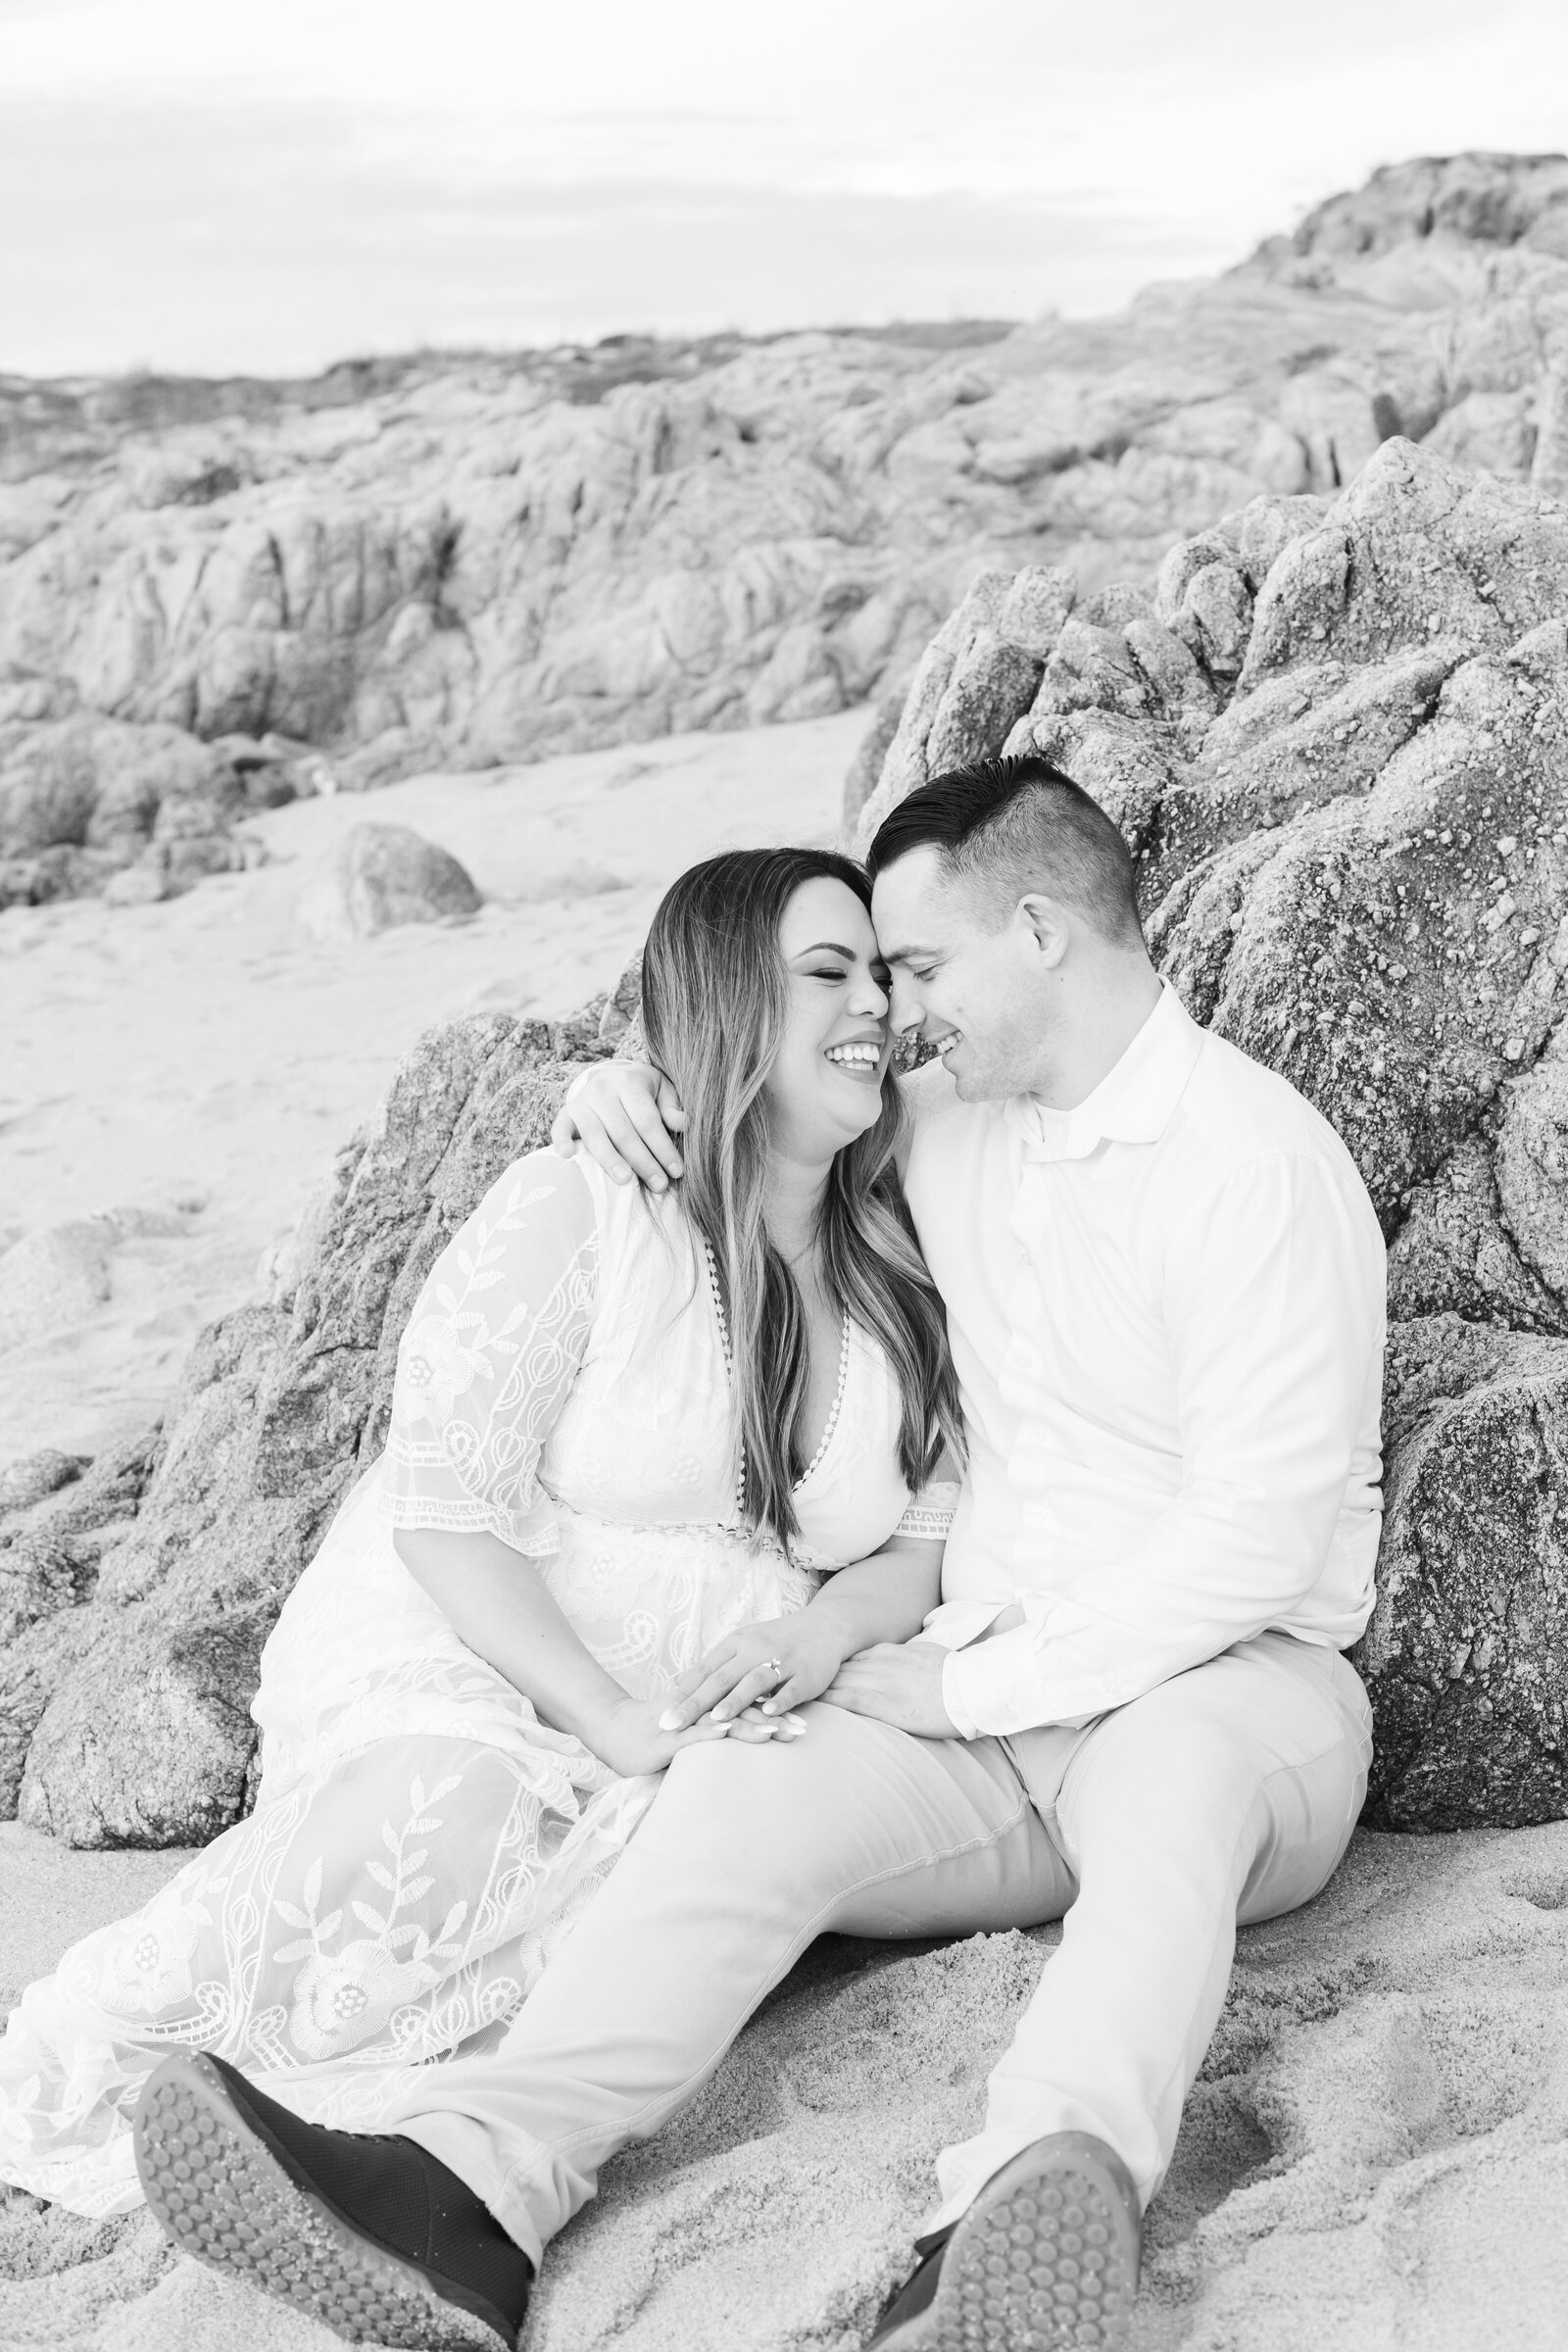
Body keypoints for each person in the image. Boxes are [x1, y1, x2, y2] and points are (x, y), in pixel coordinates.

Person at [128, 756, 1385, 2352]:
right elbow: (766, 1097)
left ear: (1043, 932)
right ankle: (467, 2199)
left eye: (920, 967)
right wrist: (614, 1086)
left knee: (1175, 1797)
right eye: (876, 977)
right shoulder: (945, 1122)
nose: (899, 1010)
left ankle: (1017, 2220)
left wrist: (980, 1679)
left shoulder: (1258, 1169)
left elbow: (1253, 1544)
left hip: (1232, 1691)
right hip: (977, 1707)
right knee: (741, 1783)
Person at [0, 848, 963, 2276]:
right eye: (827, 973)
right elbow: (446, 1516)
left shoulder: (902, 1248)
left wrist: (818, 1642)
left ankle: (391, 2149)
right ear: (724, 1007)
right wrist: (612, 1725)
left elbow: (921, 1545)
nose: (872, 1004)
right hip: (495, 1660)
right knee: (454, 1809)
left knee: (650, 1904)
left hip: (728, 1714)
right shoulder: (589, 1210)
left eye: (879, 972)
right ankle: (97, 2074)